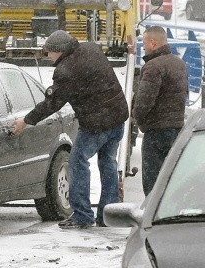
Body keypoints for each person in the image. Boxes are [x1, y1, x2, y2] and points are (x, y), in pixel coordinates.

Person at [12, 30, 128, 229]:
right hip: (117, 116)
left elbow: (52, 103)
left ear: (59, 51)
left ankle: (82, 215)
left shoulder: (67, 70)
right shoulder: (91, 48)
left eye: (49, 52)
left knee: (77, 162)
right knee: (108, 162)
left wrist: (26, 120)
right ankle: (108, 214)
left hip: (97, 123)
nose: (48, 57)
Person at [132, 25, 188, 196]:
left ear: (153, 42)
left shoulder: (152, 67)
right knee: (172, 177)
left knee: (152, 182)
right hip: (176, 129)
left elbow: (145, 101)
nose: (143, 46)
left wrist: (137, 118)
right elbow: (184, 94)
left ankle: (152, 216)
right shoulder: (179, 63)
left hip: (156, 131)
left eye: (145, 42)